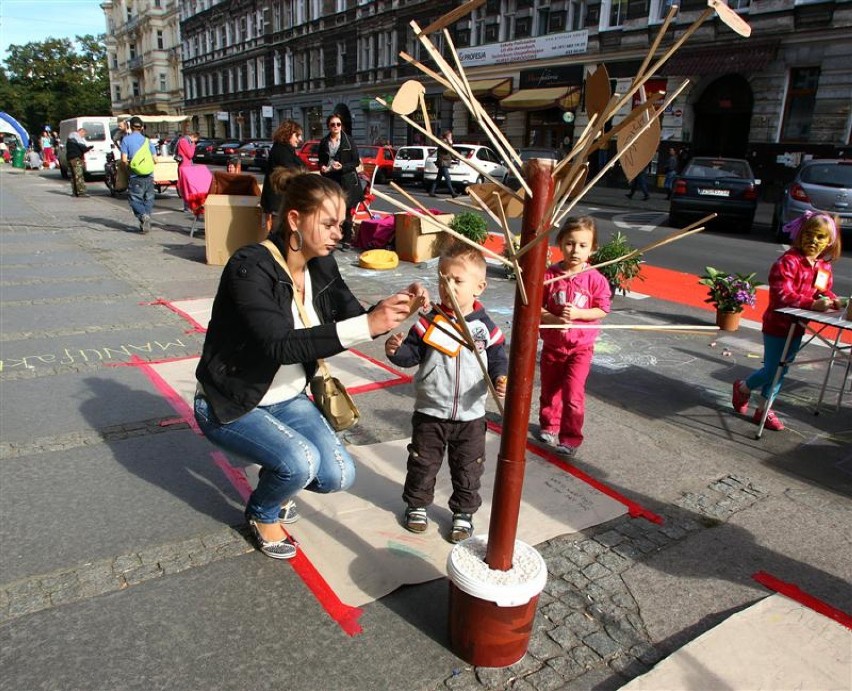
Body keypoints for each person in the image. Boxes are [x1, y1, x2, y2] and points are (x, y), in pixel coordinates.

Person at [194, 173, 430, 560]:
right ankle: (262, 511)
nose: (339, 233)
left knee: (338, 475)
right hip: (232, 403)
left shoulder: (322, 265)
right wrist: (367, 324)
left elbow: (355, 317)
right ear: (294, 220)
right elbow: (278, 345)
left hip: (288, 399)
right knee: (300, 462)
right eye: (328, 224)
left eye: (342, 224)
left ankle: (278, 473)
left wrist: (397, 305)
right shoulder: (249, 266)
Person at [385, 241, 508, 543]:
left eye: (457, 280)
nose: (447, 285)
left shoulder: (486, 329)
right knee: (422, 463)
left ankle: (463, 513)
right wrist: (394, 351)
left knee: (468, 469)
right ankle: (416, 505)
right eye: (442, 278)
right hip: (429, 413)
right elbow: (410, 356)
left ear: (480, 286)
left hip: (471, 417)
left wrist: (501, 377)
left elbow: (498, 359)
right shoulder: (429, 321)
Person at [731, 212, 842, 431]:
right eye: (808, 234)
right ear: (800, 235)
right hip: (777, 325)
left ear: (829, 241)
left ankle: (763, 408)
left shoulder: (823, 267)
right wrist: (812, 304)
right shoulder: (788, 262)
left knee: (783, 370)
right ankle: (743, 388)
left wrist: (832, 299)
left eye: (820, 237)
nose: (813, 241)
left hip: (798, 326)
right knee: (774, 369)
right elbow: (783, 295)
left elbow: (823, 290)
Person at [538, 216, 611, 458]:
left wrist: (579, 313)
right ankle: (550, 424)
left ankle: (570, 438)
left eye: (582, 245)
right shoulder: (550, 276)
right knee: (550, 390)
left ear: (593, 248)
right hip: (552, 345)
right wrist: (553, 319)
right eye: (570, 243)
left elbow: (602, 309)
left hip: (581, 348)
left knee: (573, 393)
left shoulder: (595, 279)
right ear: (560, 243)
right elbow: (536, 307)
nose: (575, 250)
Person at [318, 113, 361, 249]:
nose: (336, 127)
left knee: (346, 209)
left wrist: (343, 167)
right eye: (333, 124)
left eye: (338, 124)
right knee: (331, 209)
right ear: (328, 127)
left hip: (346, 179)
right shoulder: (324, 142)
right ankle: (332, 236)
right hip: (330, 179)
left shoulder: (349, 140)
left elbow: (356, 161)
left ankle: (347, 239)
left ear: (341, 126)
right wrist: (322, 167)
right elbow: (321, 160)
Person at [260, 119, 306, 229]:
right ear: (288, 134)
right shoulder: (282, 151)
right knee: (280, 232)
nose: (299, 139)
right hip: (278, 201)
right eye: (297, 135)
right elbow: (293, 171)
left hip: (279, 200)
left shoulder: (285, 149)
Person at [119, 116, 158, 233]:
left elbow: (124, 160)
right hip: (149, 174)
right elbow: (155, 159)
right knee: (149, 198)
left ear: (130, 127)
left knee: (134, 199)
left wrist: (128, 168)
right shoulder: (147, 140)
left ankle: (142, 216)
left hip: (135, 175)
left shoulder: (126, 140)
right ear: (141, 128)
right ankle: (146, 220)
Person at [174, 131, 200, 211]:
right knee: (186, 187)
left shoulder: (184, 141)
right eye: (195, 140)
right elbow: (190, 154)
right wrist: (193, 145)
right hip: (184, 167)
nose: (195, 141)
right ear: (193, 136)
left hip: (186, 166)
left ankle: (188, 205)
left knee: (188, 187)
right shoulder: (184, 141)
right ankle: (187, 206)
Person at [65, 128, 93, 197]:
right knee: (79, 175)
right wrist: (89, 148)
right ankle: (81, 192)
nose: (83, 136)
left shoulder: (70, 137)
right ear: (81, 132)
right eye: (84, 134)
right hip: (76, 158)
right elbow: (83, 148)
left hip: (69, 158)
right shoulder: (77, 137)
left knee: (73, 176)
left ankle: (74, 192)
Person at [429, 130, 457, 198]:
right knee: (448, 178)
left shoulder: (446, 143)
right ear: (447, 136)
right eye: (450, 136)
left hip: (445, 162)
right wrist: (450, 144)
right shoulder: (442, 142)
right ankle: (453, 193)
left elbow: (450, 153)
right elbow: (447, 150)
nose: (451, 137)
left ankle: (432, 192)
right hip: (443, 162)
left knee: (438, 179)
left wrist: (454, 158)